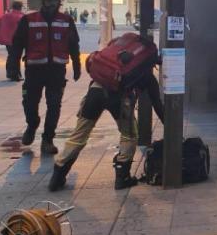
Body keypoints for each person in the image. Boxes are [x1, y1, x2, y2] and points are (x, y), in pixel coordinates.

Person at [49, 63, 164, 191]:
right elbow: (157, 104)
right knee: (130, 136)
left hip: (94, 92)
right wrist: (170, 127)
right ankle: (122, 177)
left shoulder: (115, 57)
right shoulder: (146, 74)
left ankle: (57, 175)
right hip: (119, 99)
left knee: (78, 136)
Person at [7, 0, 81, 155]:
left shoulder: (66, 20)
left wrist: (77, 65)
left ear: (59, 1)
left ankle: (48, 139)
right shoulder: (29, 20)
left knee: (54, 106)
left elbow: (73, 44)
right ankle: (32, 124)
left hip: (56, 71)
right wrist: (13, 64)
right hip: (34, 70)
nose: (52, 2)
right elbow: (17, 44)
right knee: (30, 104)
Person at [0, 1, 25, 82]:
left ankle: (10, 73)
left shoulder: (5, 16)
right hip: (17, 40)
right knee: (16, 57)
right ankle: (15, 75)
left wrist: (3, 33)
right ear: (20, 7)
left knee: (11, 55)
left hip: (8, 40)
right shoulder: (22, 16)